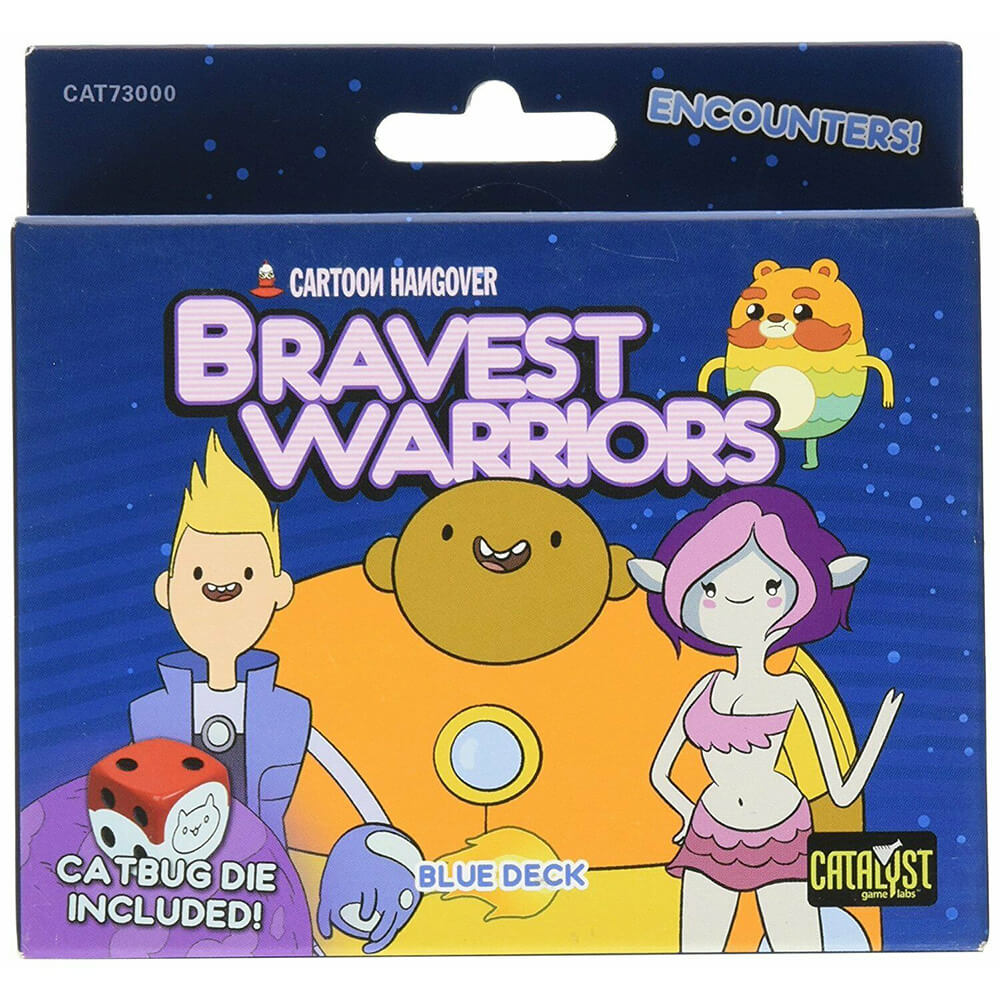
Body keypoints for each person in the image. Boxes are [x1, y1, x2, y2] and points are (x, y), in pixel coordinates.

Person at [130, 430, 420, 954]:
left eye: (246, 573)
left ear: (278, 590)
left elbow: (367, 810)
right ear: (167, 589)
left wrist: (384, 858)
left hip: (272, 901)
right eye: (198, 574)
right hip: (172, 908)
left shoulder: (288, 712)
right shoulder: (149, 714)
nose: (221, 588)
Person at [628, 486, 902, 952]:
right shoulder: (707, 686)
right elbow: (659, 772)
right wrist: (689, 813)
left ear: (799, 596)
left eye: (771, 587)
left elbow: (840, 792)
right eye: (710, 589)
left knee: (800, 957)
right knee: (694, 958)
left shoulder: (793, 687)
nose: (738, 600)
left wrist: (878, 734)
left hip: (782, 833)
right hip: (709, 832)